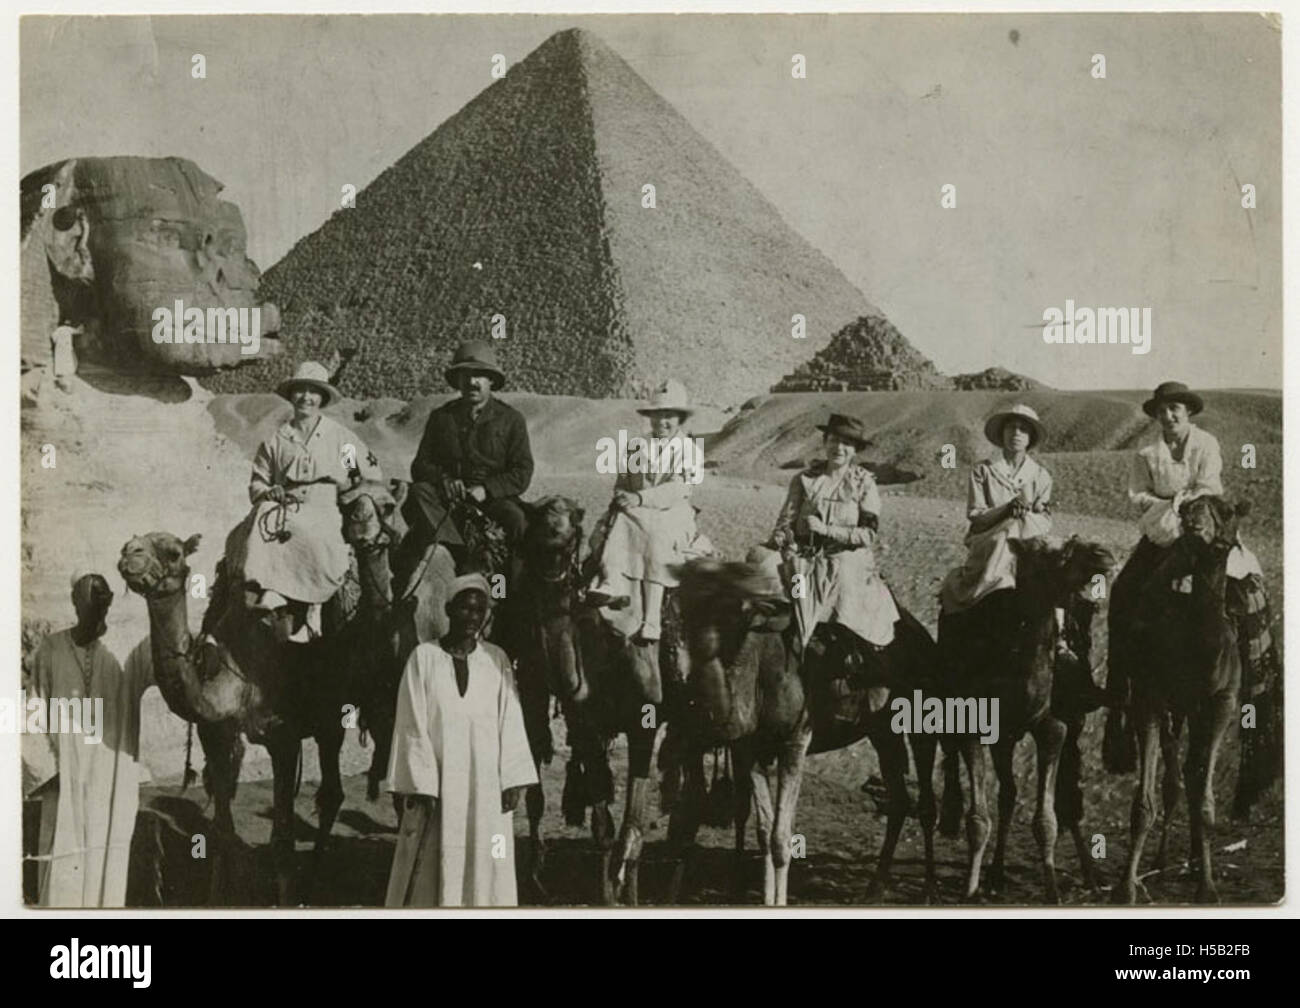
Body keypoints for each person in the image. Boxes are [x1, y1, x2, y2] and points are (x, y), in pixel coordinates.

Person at [1106, 381, 1264, 715]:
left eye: (1174, 408)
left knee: (1245, 588)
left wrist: (1187, 503)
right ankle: (1119, 686)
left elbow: (1210, 485)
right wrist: (1170, 504)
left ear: (1187, 411)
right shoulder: (1146, 455)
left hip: (1202, 529)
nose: (1168, 415)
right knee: (1123, 591)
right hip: (1162, 529)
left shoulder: (1207, 444)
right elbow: (1138, 496)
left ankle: (1253, 675)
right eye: (1162, 410)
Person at [384, 574, 538, 907]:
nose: (472, 618)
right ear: (448, 609)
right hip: (438, 786)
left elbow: (510, 720)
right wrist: (423, 785)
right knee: (433, 868)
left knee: (490, 858)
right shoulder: (423, 658)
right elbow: (411, 724)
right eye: (465, 609)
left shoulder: (496, 659)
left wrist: (513, 778)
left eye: (479, 610)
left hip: (487, 786)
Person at [24, 572, 154, 907]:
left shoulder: (128, 651)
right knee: (62, 854)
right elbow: (33, 711)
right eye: (89, 596)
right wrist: (47, 770)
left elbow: (170, 659)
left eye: (103, 596)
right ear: (74, 601)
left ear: (110, 601)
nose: (97, 604)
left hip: (112, 777)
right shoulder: (50, 650)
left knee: (108, 855)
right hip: (66, 775)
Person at [234, 360, 383, 643]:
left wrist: (349, 492)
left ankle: (315, 606)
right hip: (286, 505)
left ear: (322, 398)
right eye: (300, 391)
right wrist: (269, 492)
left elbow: (359, 472)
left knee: (319, 536)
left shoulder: (339, 438)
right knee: (262, 517)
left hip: (324, 504)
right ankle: (269, 590)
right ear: (291, 396)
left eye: (313, 392)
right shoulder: (277, 440)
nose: (306, 398)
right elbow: (258, 481)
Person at [392, 340, 534, 597]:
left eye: (480, 375)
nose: (472, 382)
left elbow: (522, 471)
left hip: (492, 499)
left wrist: (487, 489)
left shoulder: (512, 419)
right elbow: (420, 465)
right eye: (466, 375)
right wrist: (444, 480)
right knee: (418, 493)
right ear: (457, 380)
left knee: (518, 523)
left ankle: (516, 595)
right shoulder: (441, 417)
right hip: (447, 497)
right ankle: (456, 552)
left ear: (492, 381)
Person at [586, 379, 707, 643]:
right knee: (601, 531)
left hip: (673, 514)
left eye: (669, 416)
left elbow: (678, 488)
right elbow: (624, 480)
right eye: (656, 415)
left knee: (656, 534)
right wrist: (622, 496)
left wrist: (639, 498)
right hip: (635, 510)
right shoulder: (636, 446)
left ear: (680, 418)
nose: (661, 422)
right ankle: (611, 581)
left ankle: (652, 619)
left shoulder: (690, 449)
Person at [767, 413, 899, 650]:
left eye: (847, 443)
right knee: (762, 570)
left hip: (845, 556)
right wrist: (782, 535)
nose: (839, 447)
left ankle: (850, 653)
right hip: (802, 555)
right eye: (834, 440)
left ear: (855, 450)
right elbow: (786, 519)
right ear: (825, 442)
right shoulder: (804, 479)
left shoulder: (863, 482)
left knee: (845, 590)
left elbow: (868, 534)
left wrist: (827, 530)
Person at [939, 404, 1054, 613]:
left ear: (1031, 438)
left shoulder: (1041, 475)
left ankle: (1061, 633)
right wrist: (1007, 510)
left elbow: (1045, 516)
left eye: (1023, 429)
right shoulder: (983, 470)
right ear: (1002, 434)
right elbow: (976, 516)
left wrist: (1032, 511)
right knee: (1006, 535)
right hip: (989, 538)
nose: (1016, 434)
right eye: (1011, 427)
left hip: (1031, 537)